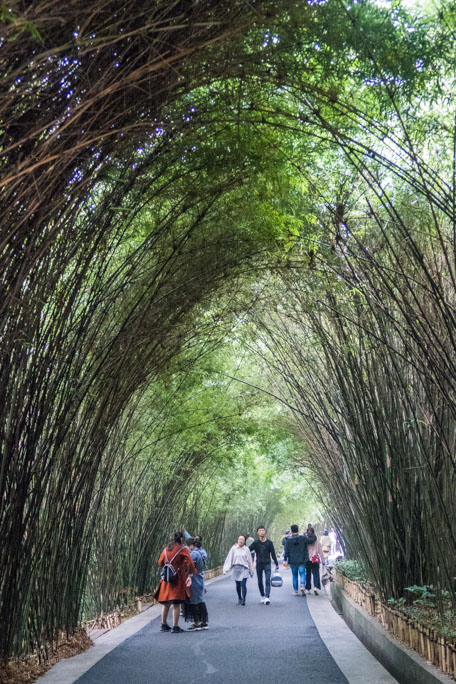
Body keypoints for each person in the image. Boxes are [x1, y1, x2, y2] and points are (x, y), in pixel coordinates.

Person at [157, 531, 196, 633]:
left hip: (166, 579)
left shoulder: (166, 549)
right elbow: (190, 563)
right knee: (176, 603)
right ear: (182, 539)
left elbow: (160, 562)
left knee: (165, 603)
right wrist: (190, 573)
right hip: (177, 579)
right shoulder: (182, 549)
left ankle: (164, 624)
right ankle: (175, 626)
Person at [248, 525, 279, 605]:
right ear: (258, 533)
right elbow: (248, 550)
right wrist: (239, 546)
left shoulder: (269, 542)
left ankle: (267, 597)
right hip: (259, 564)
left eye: (263, 530)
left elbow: (273, 553)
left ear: (265, 532)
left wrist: (276, 563)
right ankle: (262, 595)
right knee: (260, 581)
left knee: (267, 580)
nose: (262, 532)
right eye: (260, 531)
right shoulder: (256, 543)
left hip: (267, 563)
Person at [283, 524, 316, 596]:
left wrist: (285, 559)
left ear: (291, 530)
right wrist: (314, 535)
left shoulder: (288, 540)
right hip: (302, 560)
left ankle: (295, 591)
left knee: (294, 575)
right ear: (298, 530)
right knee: (302, 574)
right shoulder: (302, 538)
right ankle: (302, 586)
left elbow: (286, 551)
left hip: (292, 560)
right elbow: (311, 541)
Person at [184, 536, 209, 631]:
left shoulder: (194, 554)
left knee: (194, 601)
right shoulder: (202, 552)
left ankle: (196, 623)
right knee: (201, 600)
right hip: (200, 578)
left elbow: (191, 567)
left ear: (191, 546)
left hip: (194, 579)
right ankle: (204, 622)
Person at [223, 534, 254, 605]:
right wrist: (226, 569)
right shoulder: (234, 548)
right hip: (236, 568)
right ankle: (239, 597)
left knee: (243, 584)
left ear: (244, 541)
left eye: (242, 539)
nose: (240, 540)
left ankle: (244, 599)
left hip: (244, 568)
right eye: (239, 539)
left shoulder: (247, 549)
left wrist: (251, 571)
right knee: (238, 584)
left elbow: (249, 560)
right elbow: (229, 558)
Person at [305, 526, 324, 595]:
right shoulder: (317, 542)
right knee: (316, 574)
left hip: (307, 559)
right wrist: (323, 561)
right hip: (315, 559)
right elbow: (320, 552)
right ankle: (315, 587)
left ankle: (307, 589)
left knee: (308, 574)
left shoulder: (306, 541)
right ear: (313, 533)